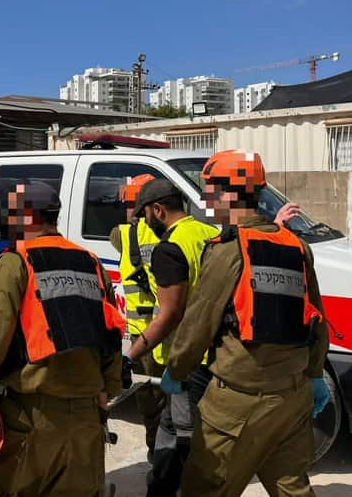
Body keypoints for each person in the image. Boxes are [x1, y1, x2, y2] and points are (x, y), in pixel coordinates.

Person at [0, 181, 124, 496]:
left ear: (29, 217)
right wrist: (106, 390)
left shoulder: (15, 264)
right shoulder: (91, 264)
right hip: (87, 419)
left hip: (33, 419)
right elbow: (111, 334)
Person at [164, 150, 331, 497]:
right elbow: (316, 319)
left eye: (209, 191)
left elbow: (198, 323)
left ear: (227, 194)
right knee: (291, 487)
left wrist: (177, 370)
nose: (206, 199)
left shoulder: (228, 249)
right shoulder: (296, 245)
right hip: (292, 396)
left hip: (238, 403)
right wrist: (315, 374)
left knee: (206, 487)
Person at [125, 178, 220, 496]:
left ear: (158, 210)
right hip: (219, 357)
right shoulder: (211, 234)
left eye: (146, 215)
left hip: (188, 361)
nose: (143, 222)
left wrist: (132, 354)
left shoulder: (170, 246)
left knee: (176, 437)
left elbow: (169, 314)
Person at [108, 173, 164, 462]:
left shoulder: (123, 234)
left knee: (151, 406)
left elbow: (123, 230)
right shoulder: (174, 231)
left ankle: (159, 459)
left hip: (143, 337)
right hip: (175, 332)